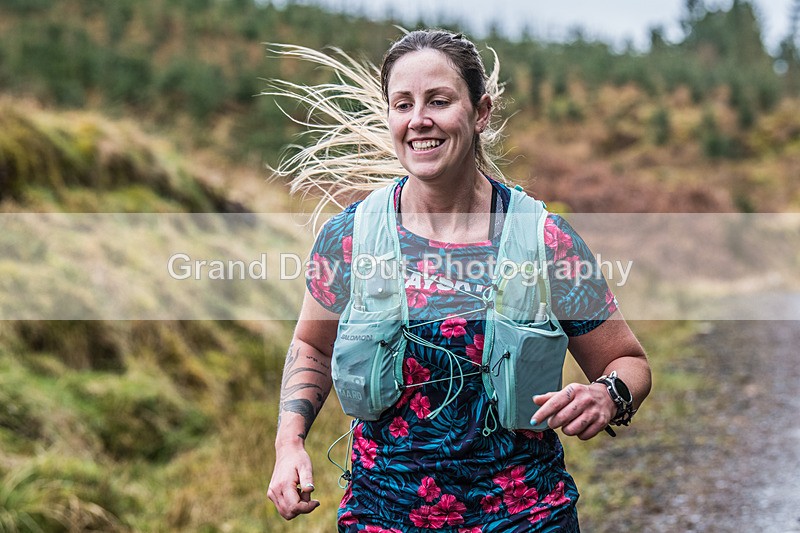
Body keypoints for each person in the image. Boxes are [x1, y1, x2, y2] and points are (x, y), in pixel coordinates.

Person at [267, 29, 651, 531]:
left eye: (439, 100)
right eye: (402, 104)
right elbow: (312, 346)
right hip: (382, 516)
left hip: (526, 518)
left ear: (481, 112)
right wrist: (289, 443)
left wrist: (607, 395)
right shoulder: (350, 238)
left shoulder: (544, 240)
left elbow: (630, 363)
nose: (418, 119)